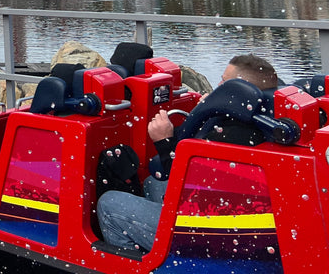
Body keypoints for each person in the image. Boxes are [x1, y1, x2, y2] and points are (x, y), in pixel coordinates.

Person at [97, 54, 279, 252]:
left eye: (225, 82)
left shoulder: (233, 134)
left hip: (213, 229)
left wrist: (164, 140)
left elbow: (181, 173)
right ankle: (157, 253)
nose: (218, 85)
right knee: (153, 183)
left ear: (238, 91)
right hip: (239, 214)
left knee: (109, 204)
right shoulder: (262, 120)